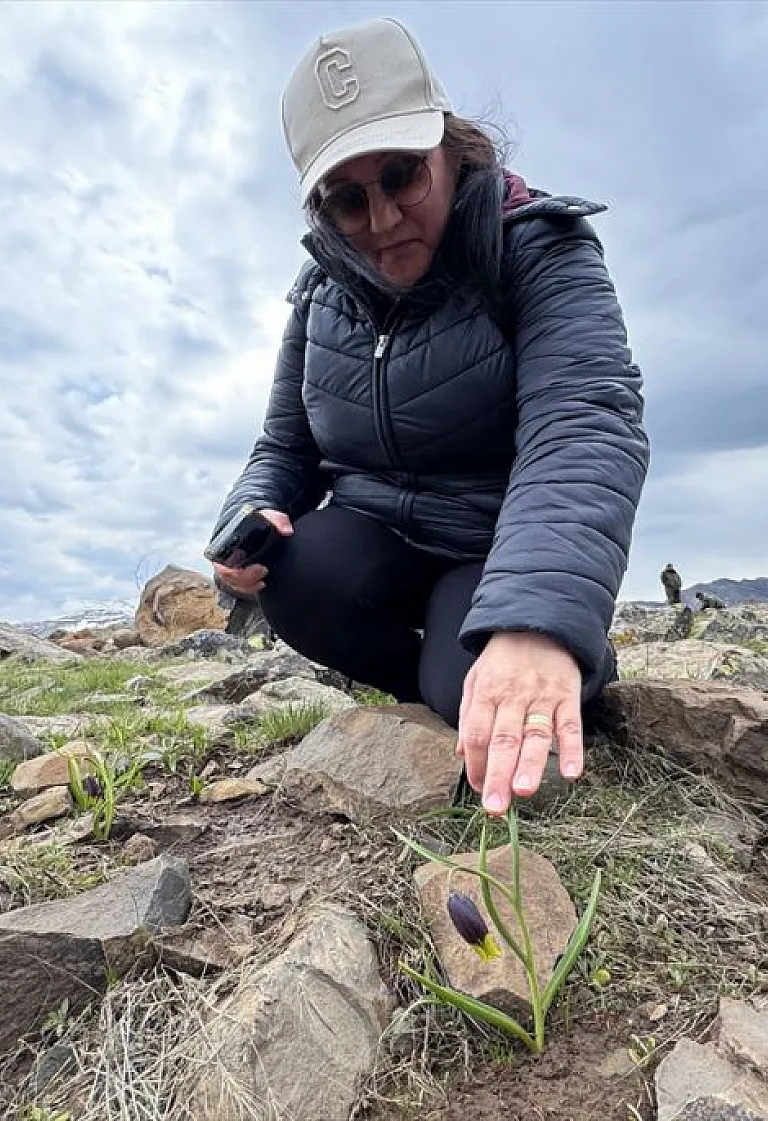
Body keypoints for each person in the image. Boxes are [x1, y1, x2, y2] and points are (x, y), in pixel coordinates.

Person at [209, 17, 648, 816]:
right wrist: (245, 516)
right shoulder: (318, 296)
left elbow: (583, 417)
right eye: (347, 198)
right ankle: (461, 687)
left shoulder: (541, 248)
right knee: (297, 575)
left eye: (403, 175)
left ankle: (543, 658)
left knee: (470, 679)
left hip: (493, 548)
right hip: (377, 542)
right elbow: (284, 445)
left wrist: (535, 622)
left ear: (451, 147)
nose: (380, 220)